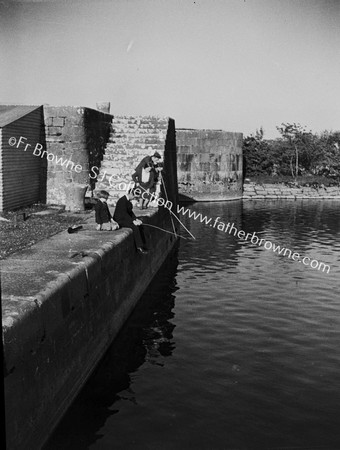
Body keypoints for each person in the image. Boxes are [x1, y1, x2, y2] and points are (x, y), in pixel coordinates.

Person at [113, 188, 148, 254]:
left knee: (140, 226)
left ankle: (143, 244)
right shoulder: (122, 201)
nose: (134, 198)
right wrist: (132, 221)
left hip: (125, 218)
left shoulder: (128, 200)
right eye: (134, 197)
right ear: (131, 194)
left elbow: (130, 212)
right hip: (120, 220)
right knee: (135, 227)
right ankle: (139, 247)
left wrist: (136, 219)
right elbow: (124, 214)